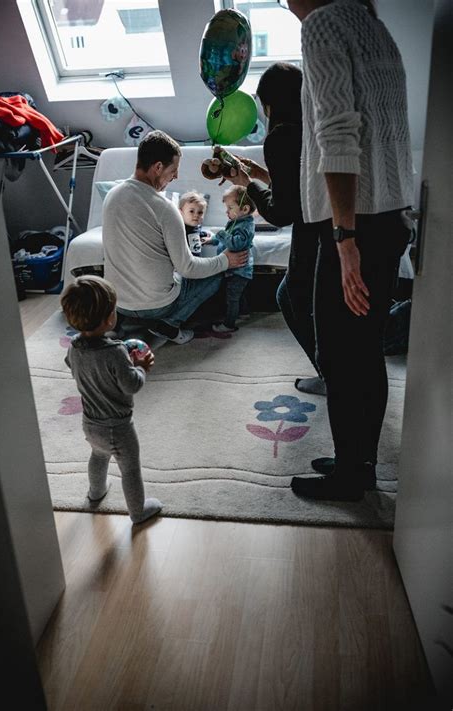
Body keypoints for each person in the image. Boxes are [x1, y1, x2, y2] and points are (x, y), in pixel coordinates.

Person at [280, 0, 414, 501]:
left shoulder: (323, 24)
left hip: (355, 224)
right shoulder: (372, 25)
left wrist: (344, 238)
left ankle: (351, 477)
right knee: (362, 351)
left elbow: (337, 132)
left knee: (339, 355)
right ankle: (357, 460)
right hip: (388, 215)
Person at [224, 62, 325, 395]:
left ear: (269, 104)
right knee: (313, 302)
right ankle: (333, 371)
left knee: (292, 297)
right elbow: (299, 184)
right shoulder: (313, 126)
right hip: (329, 221)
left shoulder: (280, 135)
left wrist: (248, 183)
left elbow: (281, 212)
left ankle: (330, 374)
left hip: (313, 231)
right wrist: (263, 175)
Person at [102, 130, 247, 345]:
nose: (175, 177)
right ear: (158, 167)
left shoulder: (112, 195)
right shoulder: (164, 207)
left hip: (117, 301)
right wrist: (226, 260)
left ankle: (120, 322)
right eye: (174, 170)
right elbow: (187, 267)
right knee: (215, 274)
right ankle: (170, 323)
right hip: (157, 306)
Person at [60, 275, 162, 524]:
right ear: (109, 319)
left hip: (90, 423)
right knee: (130, 469)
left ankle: (96, 492)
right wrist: (139, 368)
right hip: (118, 427)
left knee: (98, 454)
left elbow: (70, 366)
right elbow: (131, 385)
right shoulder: (116, 352)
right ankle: (138, 512)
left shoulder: (74, 347)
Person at [202, 185, 255, 333]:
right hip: (236, 269)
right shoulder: (237, 222)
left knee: (232, 297)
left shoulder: (245, 226)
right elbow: (227, 239)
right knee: (239, 294)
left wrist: (220, 234)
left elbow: (235, 243)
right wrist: (212, 240)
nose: (227, 211)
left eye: (230, 208)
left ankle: (229, 324)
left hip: (239, 270)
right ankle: (243, 313)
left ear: (244, 209)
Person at [178, 190, 212, 257]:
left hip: (197, 261)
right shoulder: (181, 229)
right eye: (191, 211)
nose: (196, 215)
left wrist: (204, 234)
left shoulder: (196, 227)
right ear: (181, 212)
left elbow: (196, 232)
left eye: (200, 212)